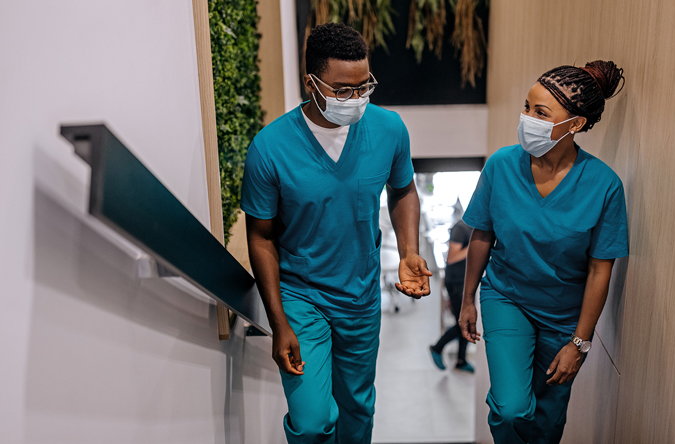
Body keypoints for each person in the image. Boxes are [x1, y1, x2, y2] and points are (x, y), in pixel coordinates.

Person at [242, 23, 433, 444]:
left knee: (358, 408)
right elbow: (260, 237)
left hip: (361, 297)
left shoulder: (388, 129)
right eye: (343, 91)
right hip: (301, 296)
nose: (356, 100)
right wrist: (278, 321)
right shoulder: (270, 148)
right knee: (312, 422)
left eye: (364, 87)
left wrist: (408, 251)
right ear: (311, 83)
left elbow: (403, 190)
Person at [458, 60, 629, 444]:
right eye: (526, 107)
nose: (526, 118)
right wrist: (468, 299)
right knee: (511, 409)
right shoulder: (502, 165)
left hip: (564, 316)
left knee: (547, 424)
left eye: (540, 112)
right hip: (507, 297)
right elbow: (482, 236)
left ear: (576, 125)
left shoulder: (604, 186)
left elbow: (601, 270)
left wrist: (580, 344)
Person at [429, 219, 475, 372]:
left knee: (466, 323)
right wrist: (477, 246)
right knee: (464, 323)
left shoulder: (477, 227)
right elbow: (452, 257)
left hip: (465, 280)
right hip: (456, 282)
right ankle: (437, 347)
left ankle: (461, 360)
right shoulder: (461, 228)